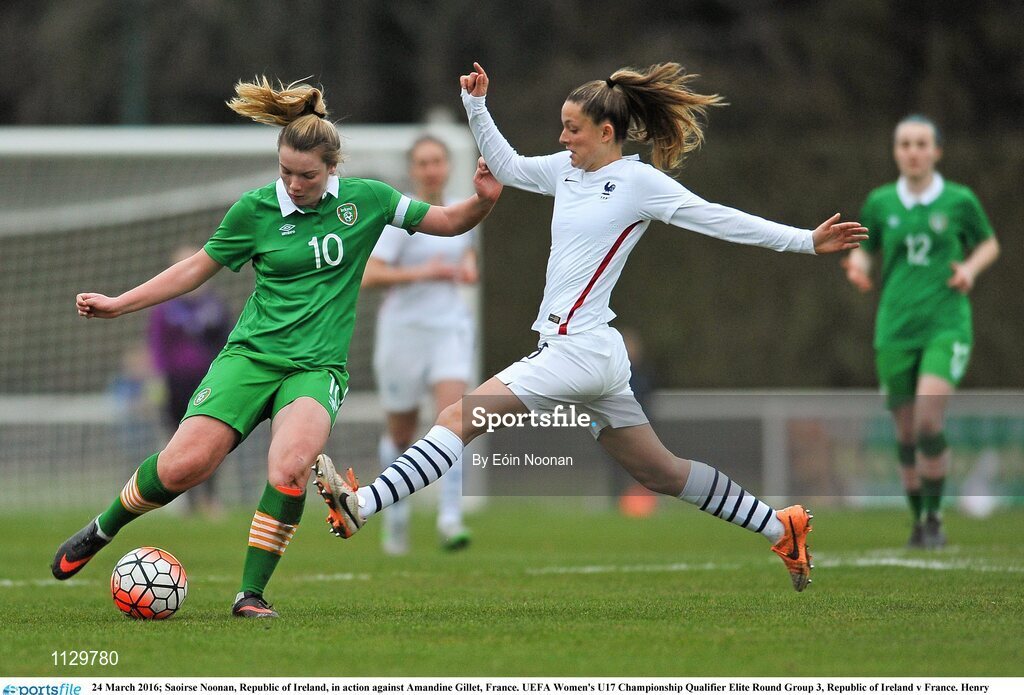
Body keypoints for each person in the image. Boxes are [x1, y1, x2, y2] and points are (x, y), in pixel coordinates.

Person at [313, 62, 868, 592]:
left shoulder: (638, 182)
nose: (562, 139)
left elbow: (719, 218)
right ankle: (781, 527)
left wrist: (805, 240)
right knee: (662, 473)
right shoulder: (567, 172)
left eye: (572, 129)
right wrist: (476, 104)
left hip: (577, 351)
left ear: (606, 132)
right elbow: (506, 168)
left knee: (459, 416)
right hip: (596, 352)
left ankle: (361, 508)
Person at [51, 76, 502, 618]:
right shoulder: (255, 210)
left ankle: (250, 595)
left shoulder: (369, 200)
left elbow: (450, 222)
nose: (293, 183)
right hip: (250, 358)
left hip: (316, 369)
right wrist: (120, 303)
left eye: (306, 175)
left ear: (332, 169)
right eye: (285, 171)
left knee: (289, 468)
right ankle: (103, 528)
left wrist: (482, 201)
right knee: (183, 467)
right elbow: (196, 269)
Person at [843, 115, 1000, 549]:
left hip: (945, 324)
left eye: (921, 144)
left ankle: (935, 515)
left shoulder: (958, 200)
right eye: (905, 144)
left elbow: (988, 242)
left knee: (930, 420)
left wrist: (968, 268)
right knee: (907, 432)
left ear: (936, 151)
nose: (913, 151)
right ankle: (920, 522)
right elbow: (866, 253)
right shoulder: (880, 203)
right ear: (896, 152)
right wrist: (857, 269)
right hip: (894, 329)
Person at [363, 135, 479, 554]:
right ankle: (395, 516)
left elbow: (465, 256)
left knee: (455, 417)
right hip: (402, 333)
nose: (431, 169)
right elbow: (370, 275)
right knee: (402, 432)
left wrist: (466, 268)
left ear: (448, 167)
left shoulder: (462, 211)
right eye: (423, 162)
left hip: (448, 328)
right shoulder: (403, 217)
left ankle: (451, 518)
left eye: (437, 161)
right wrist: (421, 274)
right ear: (414, 170)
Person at [147, 244, 234, 516]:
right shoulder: (164, 309)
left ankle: (210, 499)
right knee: (176, 442)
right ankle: (182, 499)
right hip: (175, 384)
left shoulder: (216, 307)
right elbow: (157, 346)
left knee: (210, 442)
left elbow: (228, 343)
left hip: (208, 383)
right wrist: (158, 381)